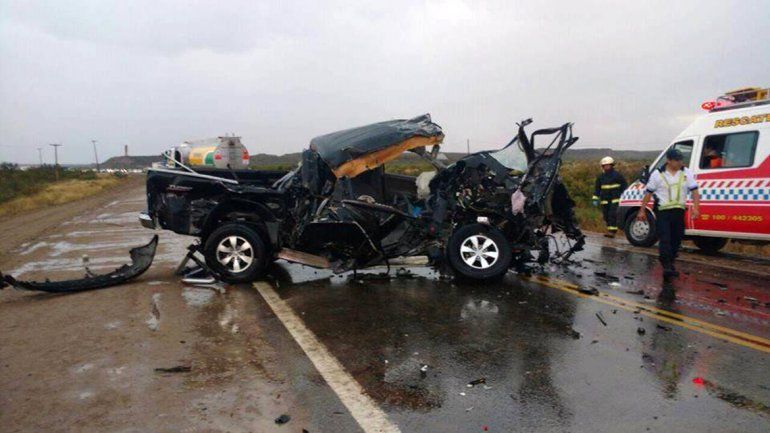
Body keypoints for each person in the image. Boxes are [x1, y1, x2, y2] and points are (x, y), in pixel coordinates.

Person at [637, 149, 700, 278]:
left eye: (681, 159)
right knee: (665, 239)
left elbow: (694, 191)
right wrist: (642, 210)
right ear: (669, 161)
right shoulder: (657, 174)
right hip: (663, 212)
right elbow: (648, 193)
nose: (680, 162)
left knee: (676, 239)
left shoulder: (686, 172)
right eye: (677, 160)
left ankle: (670, 263)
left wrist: (696, 207)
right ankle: (666, 265)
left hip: (678, 211)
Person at [592, 156, 627, 238]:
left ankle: (612, 232)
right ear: (602, 166)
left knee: (612, 215)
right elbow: (597, 188)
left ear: (612, 165)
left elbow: (624, 186)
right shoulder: (600, 177)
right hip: (604, 199)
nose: (606, 167)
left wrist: (622, 195)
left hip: (615, 199)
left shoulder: (617, 175)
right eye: (605, 165)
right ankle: (609, 230)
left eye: (608, 165)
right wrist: (595, 198)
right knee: (606, 216)